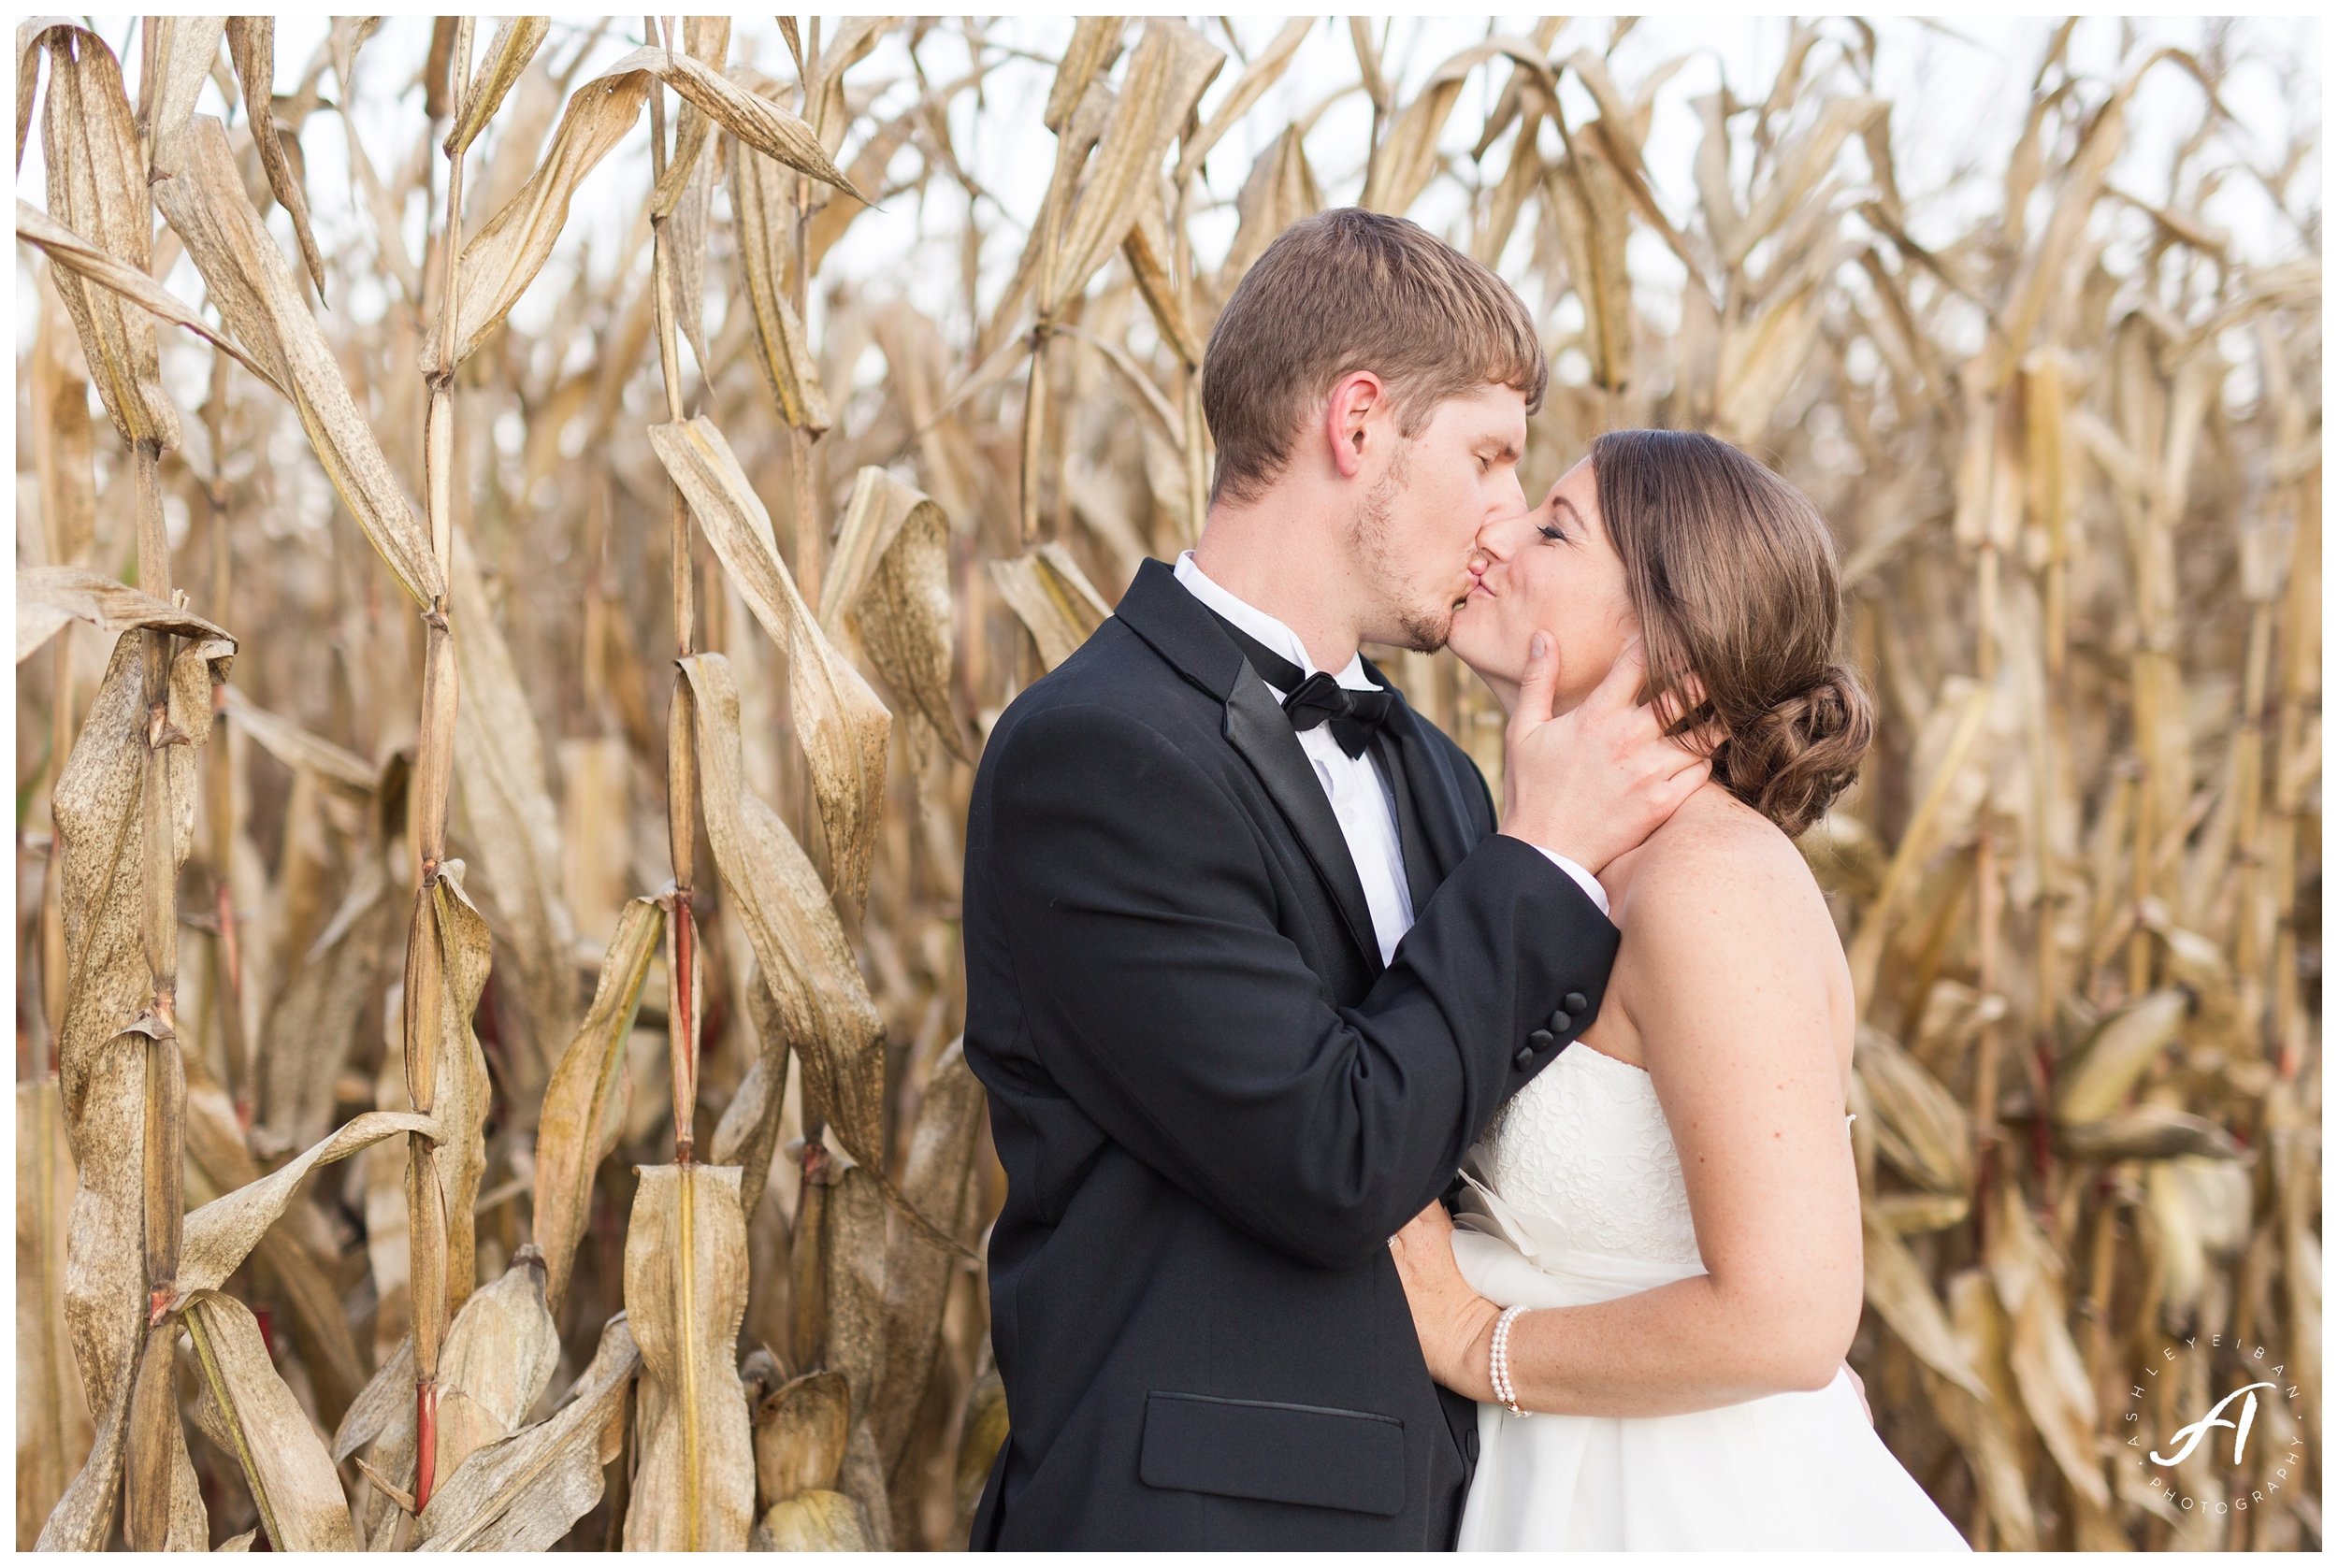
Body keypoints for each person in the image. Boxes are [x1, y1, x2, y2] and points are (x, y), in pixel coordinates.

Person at [959, 209, 1710, 1548]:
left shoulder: (1440, 770)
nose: (1503, 523)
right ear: (1358, 424)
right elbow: (1333, 1157)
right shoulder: (1096, 757)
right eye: (1486, 458)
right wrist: (1540, 861)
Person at [1387, 429, 1970, 1550]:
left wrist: (1473, 1340)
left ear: (1669, 636)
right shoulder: (1547, 862)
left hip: (1687, 1504)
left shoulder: (1710, 886)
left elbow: (1791, 1317)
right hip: (1546, 1481)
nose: (1497, 535)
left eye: (1554, 527)